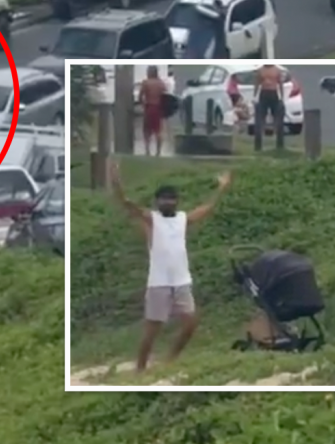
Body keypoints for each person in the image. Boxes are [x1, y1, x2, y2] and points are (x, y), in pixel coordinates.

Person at [108, 159, 233, 372]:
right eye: (164, 199)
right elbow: (126, 202)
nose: (168, 202)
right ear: (157, 202)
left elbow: (207, 208)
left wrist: (222, 189)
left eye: (171, 199)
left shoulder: (183, 219)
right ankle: (140, 369)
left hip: (182, 281)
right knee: (152, 330)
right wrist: (116, 181)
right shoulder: (152, 219)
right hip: (159, 283)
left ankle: (170, 360)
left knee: (190, 323)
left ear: (177, 201)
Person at [252, 64, 285, 151]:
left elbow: (280, 84)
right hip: (264, 93)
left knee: (278, 119)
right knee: (259, 120)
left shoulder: (277, 70)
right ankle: (258, 146)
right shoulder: (261, 70)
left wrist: (282, 97)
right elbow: (257, 83)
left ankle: (280, 145)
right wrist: (254, 97)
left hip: (274, 94)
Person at [138, 66, 168, 157]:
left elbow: (140, 96)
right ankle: (158, 152)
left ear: (150, 73)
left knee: (147, 130)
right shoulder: (161, 84)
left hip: (149, 107)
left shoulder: (146, 83)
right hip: (158, 108)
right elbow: (166, 96)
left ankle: (147, 150)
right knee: (158, 131)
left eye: (148, 71)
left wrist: (143, 105)